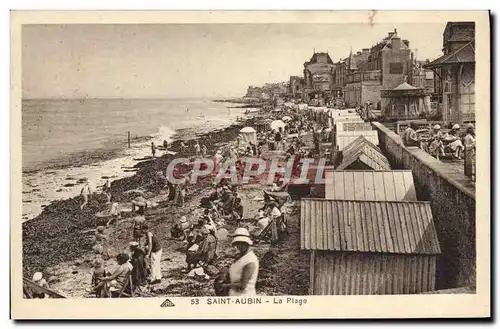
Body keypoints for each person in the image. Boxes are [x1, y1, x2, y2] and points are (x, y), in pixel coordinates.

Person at [221, 228, 259, 296]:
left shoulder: (250, 260)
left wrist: (225, 286)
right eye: (237, 244)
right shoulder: (240, 256)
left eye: (241, 244)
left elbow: (242, 285)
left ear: (246, 244)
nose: (238, 247)